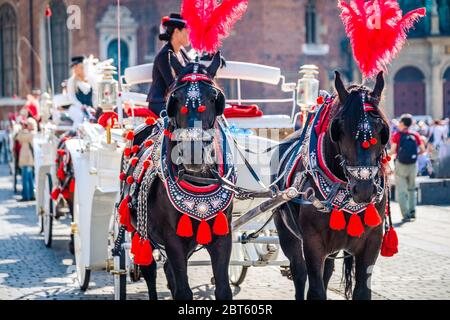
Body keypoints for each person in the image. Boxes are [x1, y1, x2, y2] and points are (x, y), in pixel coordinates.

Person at [146, 13, 190, 117]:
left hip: (177, 100)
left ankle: (201, 132)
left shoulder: (182, 52)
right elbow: (172, 84)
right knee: (189, 116)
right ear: (176, 32)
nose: (189, 35)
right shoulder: (165, 55)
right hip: (161, 102)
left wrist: (209, 57)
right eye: (187, 32)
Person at [389, 114, 426, 222]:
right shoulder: (415, 135)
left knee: (401, 191)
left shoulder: (397, 135)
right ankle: (412, 212)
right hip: (413, 165)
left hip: (401, 164)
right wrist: (414, 154)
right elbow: (423, 150)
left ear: (402, 124)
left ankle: (405, 215)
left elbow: (392, 151)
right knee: (411, 189)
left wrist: (386, 156)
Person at [67, 56, 96, 128]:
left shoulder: (90, 80)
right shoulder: (72, 81)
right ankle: (74, 133)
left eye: (76, 66)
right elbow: (72, 97)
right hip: (76, 107)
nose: (75, 69)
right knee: (80, 116)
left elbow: (95, 96)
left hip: (89, 108)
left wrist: (94, 107)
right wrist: (81, 106)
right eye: (74, 67)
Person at [14, 118, 37, 201]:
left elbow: (19, 137)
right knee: (30, 179)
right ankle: (31, 195)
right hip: (28, 159)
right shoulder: (30, 134)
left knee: (25, 179)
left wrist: (22, 129)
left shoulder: (31, 134)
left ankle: (26, 196)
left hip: (27, 160)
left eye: (28, 124)